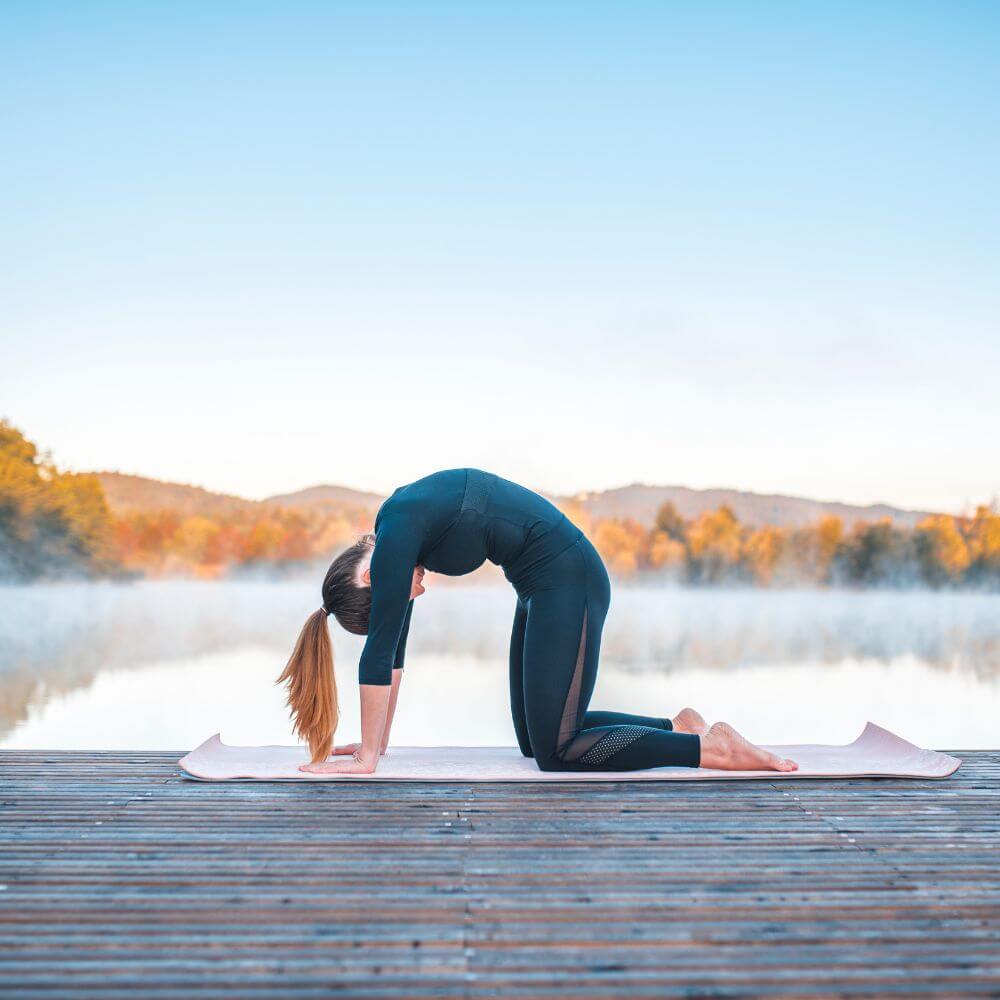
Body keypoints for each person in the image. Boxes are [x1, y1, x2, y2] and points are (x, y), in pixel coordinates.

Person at [277, 468, 797, 775]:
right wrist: (377, 746)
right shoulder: (398, 532)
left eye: (401, 595)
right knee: (536, 739)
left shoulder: (394, 538)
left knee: (557, 751)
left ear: (366, 579)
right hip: (541, 588)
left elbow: (379, 647)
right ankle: (677, 725)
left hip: (570, 579)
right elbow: (392, 654)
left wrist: (365, 760)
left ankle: (711, 748)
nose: (419, 592)